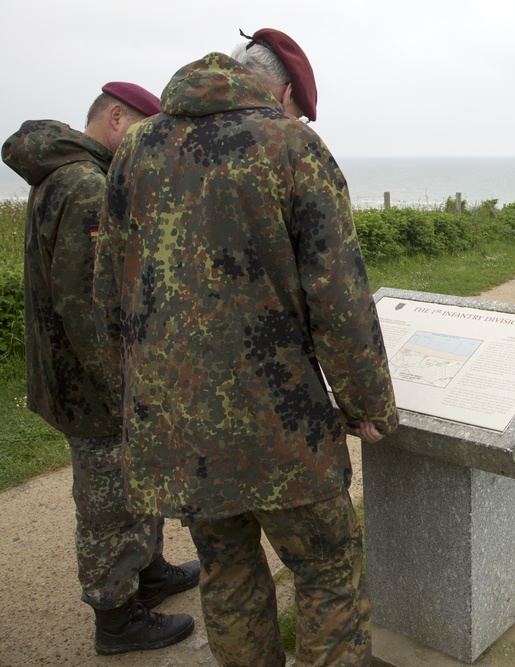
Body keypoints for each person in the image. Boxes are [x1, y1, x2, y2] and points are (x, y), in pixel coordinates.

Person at [92, 29, 399, 666]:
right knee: (327, 571)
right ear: (283, 91)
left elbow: (110, 287)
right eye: (297, 106)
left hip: (178, 427)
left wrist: (136, 393)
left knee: (227, 575)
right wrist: (366, 401)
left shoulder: (138, 147)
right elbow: (337, 294)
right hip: (279, 426)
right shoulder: (291, 146)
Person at [2, 84, 198, 656]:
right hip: (92, 385)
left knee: (136, 484)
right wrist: (123, 392)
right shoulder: (87, 186)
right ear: (116, 118)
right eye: (144, 130)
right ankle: (116, 617)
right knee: (111, 500)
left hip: (77, 377)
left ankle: (150, 571)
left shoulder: (63, 174)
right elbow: (90, 308)